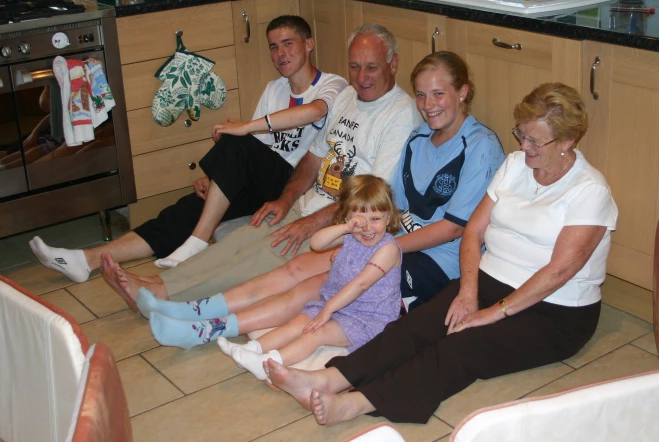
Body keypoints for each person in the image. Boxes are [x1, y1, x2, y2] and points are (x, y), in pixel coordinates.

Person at [265, 82, 619, 426]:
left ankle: (354, 404)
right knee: (414, 327)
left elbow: (559, 272)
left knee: (461, 347)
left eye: (535, 140)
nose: (524, 146)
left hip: (555, 311)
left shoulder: (589, 190)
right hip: (491, 280)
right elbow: (473, 231)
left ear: (568, 141)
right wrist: (468, 292)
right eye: (521, 134)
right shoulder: (515, 165)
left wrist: (493, 313)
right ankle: (329, 379)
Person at [107, 51, 504, 352]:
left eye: (439, 93)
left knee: (316, 285)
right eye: (422, 94)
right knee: (297, 265)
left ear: (463, 92)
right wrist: (359, 231)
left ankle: (206, 328)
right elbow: (389, 202)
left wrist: (382, 246)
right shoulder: (419, 139)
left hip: (438, 259)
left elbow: (454, 228)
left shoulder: (481, 146)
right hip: (386, 241)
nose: (429, 103)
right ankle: (192, 311)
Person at [101, 24, 423, 306]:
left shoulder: (400, 114)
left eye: (371, 67)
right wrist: (287, 199)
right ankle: (158, 283)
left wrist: (312, 223)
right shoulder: (346, 97)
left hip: (345, 224)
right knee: (241, 240)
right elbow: (313, 158)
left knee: (261, 257)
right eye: (355, 67)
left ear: (393, 64)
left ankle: (165, 293)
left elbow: (374, 200)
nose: (362, 77)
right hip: (308, 205)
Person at [29, 15, 348, 287]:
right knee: (187, 208)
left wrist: (244, 127)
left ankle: (196, 242)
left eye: (288, 44)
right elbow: (260, 146)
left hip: (295, 181)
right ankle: (88, 259)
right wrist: (221, 179)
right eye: (274, 47)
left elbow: (315, 111)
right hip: (262, 175)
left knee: (235, 139)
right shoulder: (273, 89)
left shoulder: (333, 84)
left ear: (308, 45)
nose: (280, 53)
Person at [144, 176, 402, 377]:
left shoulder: (388, 249)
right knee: (296, 322)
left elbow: (360, 284)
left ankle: (269, 362)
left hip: (366, 317)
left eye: (376, 219)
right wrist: (346, 227)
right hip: (336, 304)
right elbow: (317, 243)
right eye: (360, 219)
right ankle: (250, 349)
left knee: (316, 334)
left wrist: (326, 311)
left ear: (389, 217)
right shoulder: (352, 235)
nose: (367, 227)